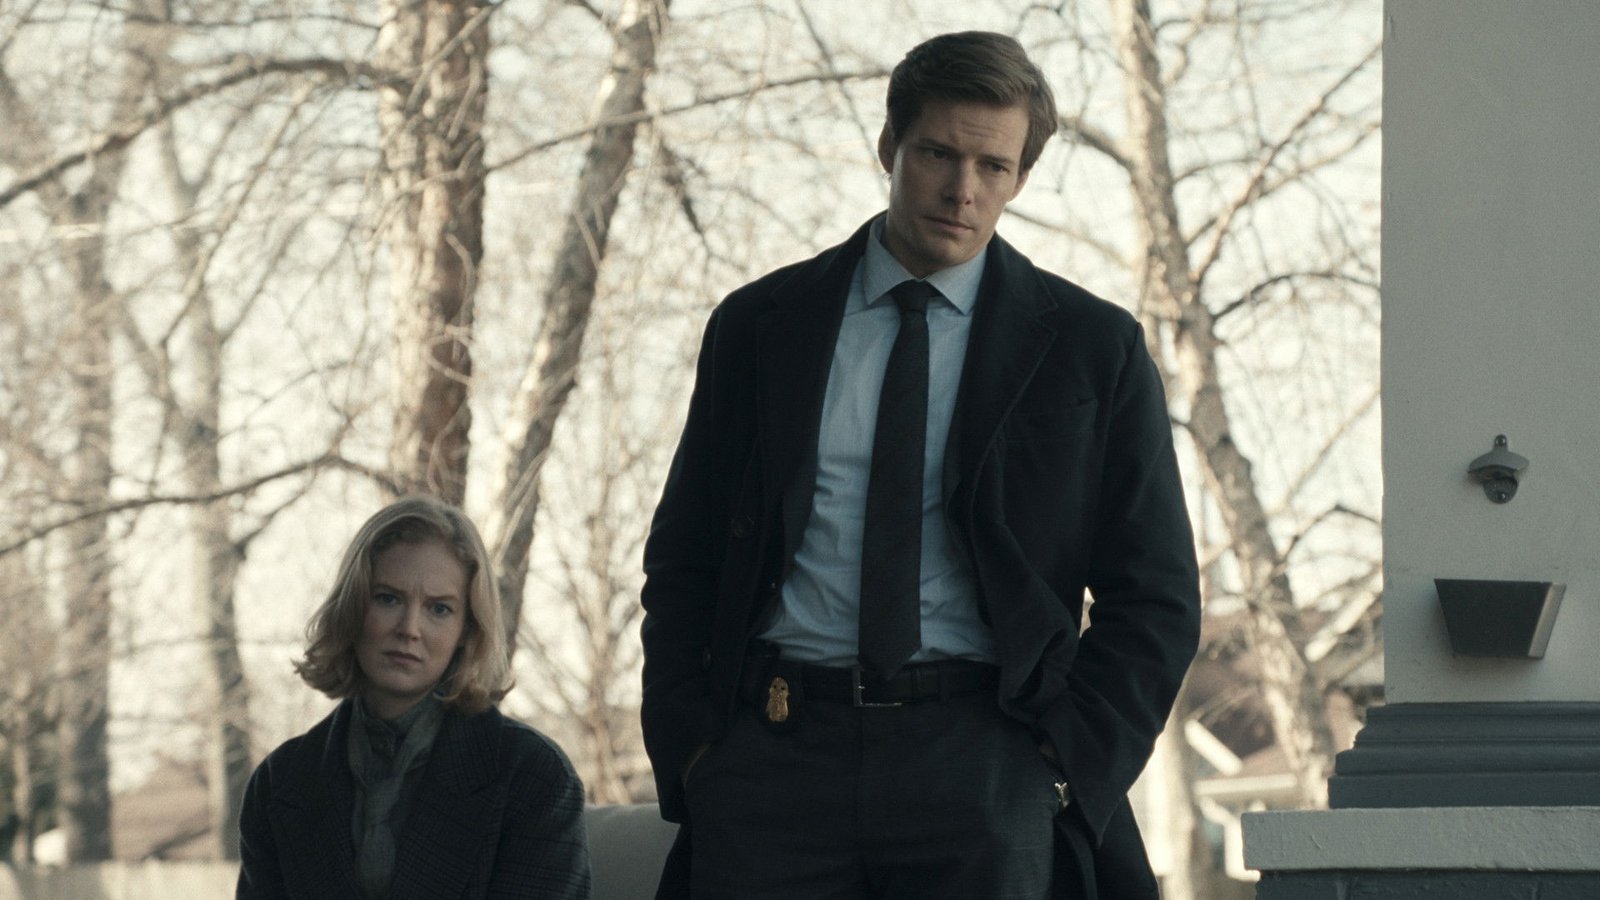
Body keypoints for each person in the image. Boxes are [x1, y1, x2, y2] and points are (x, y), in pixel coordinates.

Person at [639, 30, 1201, 900]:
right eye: (938, 152)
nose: (962, 189)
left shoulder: (1093, 349)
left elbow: (1156, 595)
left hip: (986, 763)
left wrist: (1063, 760)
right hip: (773, 762)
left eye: (994, 166)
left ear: (1020, 177)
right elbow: (685, 557)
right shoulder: (759, 326)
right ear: (888, 146)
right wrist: (697, 748)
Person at [237, 496, 591, 899]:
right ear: (353, 606)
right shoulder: (281, 783)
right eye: (388, 598)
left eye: (439, 609)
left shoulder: (532, 776)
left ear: (467, 629)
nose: (409, 628)